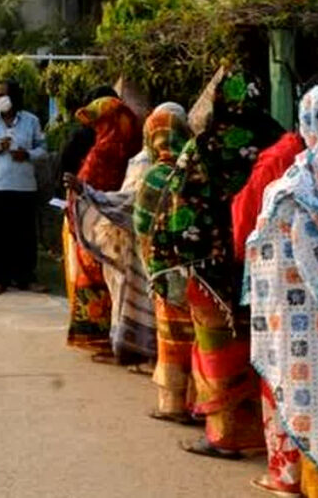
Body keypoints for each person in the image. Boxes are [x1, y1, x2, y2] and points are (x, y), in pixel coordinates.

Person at [158, 68, 282, 459]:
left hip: (211, 268)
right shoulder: (278, 140)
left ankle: (224, 435)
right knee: (260, 349)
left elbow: (176, 208)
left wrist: (174, 256)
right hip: (266, 267)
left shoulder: (203, 147)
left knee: (217, 348)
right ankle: (264, 432)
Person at [247, 82, 318, 496]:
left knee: (303, 401)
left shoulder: (290, 183)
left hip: (299, 332)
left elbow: (264, 260)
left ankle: (298, 481)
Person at [66, 104, 183, 366]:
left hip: (133, 241)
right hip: (170, 248)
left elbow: (130, 202)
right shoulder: (188, 162)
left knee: (133, 295)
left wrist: (90, 195)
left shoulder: (145, 163)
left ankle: (146, 356)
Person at [133, 102, 197, 427]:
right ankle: (200, 402)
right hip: (197, 270)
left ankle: (173, 404)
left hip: (165, 269)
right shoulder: (195, 168)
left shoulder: (156, 175)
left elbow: (141, 223)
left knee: (172, 338)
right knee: (197, 336)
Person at [66, 95, 142, 358]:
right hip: (125, 226)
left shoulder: (103, 150)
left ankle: (103, 338)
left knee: (102, 282)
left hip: (100, 225)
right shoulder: (136, 147)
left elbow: (86, 186)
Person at [0, 80, 48, 295]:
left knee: (25, 234)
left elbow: (43, 149)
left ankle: (25, 277)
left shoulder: (31, 121)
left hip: (24, 185)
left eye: (3, 94)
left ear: (15, 97)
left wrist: (28, 154)